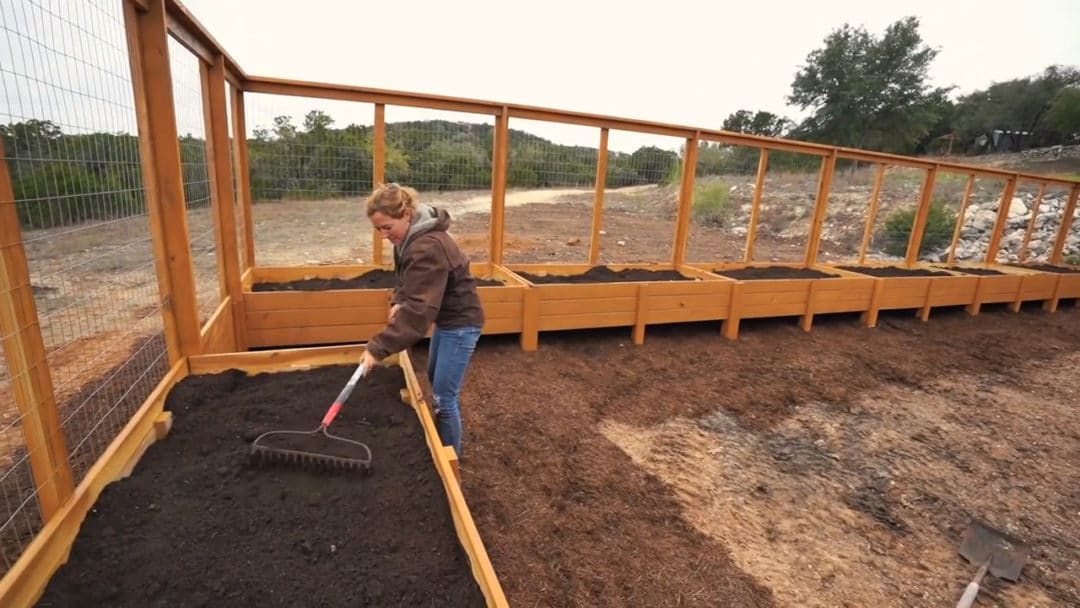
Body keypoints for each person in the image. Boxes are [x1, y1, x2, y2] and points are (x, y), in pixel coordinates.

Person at [360, 183, 484, 459]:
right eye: (378, 229)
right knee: (432, 377)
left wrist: (377, 348)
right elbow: (408, 280)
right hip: (446, 320)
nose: (383, 235)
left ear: (406, 214)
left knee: (444, 396)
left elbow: (419, 312)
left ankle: (451, 459)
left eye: (387, 227)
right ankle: (441, 434)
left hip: (461, 324)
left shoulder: (427, 246)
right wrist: (398, 300)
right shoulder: (408, 238)